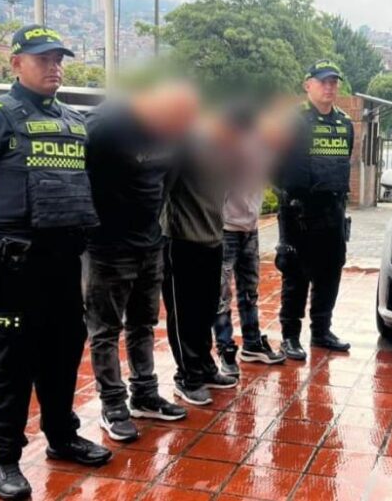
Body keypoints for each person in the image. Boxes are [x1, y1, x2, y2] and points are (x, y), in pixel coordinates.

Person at [0, 24, 111, 500]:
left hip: (63, 265)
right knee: (11, 365)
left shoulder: (75, 123)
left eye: (59, 58)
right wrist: (3, 239)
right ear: (16, 63)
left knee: (62, 354)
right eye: (43, 59)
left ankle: (62, 437)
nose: (54, 67)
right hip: (13, 268)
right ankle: (4, 459)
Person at [83, 83, 199, 441]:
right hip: (107, 248)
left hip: (150, 244)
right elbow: (78, 179)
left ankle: (145, 395)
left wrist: (150, 226)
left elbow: (168, 179)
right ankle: (113, 404)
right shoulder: (102, 126)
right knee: (104, 330)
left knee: (143, 323)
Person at [162, 105, 250, 405]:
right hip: (181, 240)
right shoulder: (185, 146)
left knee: (205, 308)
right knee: (184, 312)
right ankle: (187, 376)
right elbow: (165, 188)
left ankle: (204, 366)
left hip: (213, 239)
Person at [274, 60, 355, 360]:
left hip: (332, 212)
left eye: (334, 81)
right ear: (307, 84)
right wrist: (288, 196)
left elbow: (344, 160)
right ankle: (289, 337)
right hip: (298, 213)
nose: (329, 86)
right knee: (295, 274)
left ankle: (321, 331)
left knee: (330, 272)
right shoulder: (292, 121)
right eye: (323, 81)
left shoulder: (345, 123)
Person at [214, 110, 287, 376]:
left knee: (249, 291)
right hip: (226, 229)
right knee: (221, 295)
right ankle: (225, 349)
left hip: (250, 228)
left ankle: (253, 343)